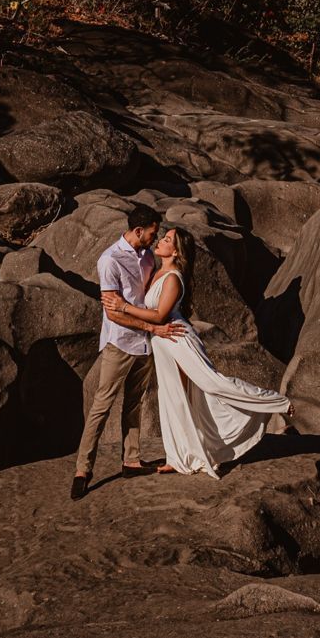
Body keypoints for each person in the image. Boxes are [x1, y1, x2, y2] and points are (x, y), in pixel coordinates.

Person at [103, 225, 290, 477]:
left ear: (176, 252)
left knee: (211, 383)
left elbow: (159, 315)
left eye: (167, 239)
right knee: (174, 397)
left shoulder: (173, 278)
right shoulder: (158, 271)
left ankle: (274, 401)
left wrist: (123, 306)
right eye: (162, 237)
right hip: (162, 343)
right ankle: (178, 456)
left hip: (178, 338)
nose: (160, 241)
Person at [70, 208, 184, 500]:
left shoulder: (147, 256)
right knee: (101, 405)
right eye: (152, 232)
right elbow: (114, 312)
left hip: (146, 342)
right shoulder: (109, 260)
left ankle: (131, 460)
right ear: (138, 230)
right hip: (120, 342)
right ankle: (82, 470)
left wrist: (152, 327)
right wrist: (152, 327)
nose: (155, 237)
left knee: (134, 402)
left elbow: (142, 299)